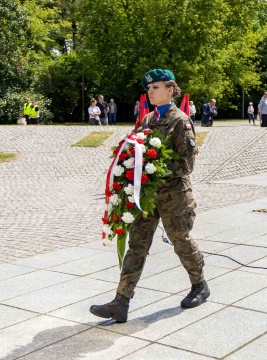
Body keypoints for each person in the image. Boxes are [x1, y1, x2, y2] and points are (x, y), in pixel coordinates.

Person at [90, 69, 208, 323]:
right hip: (146, 197)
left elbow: (186, 165)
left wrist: (153, 172)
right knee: (137, 244)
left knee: (180, 241)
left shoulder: (181, 121)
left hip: (174, 197)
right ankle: (121, 301)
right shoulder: (146, 121)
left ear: (170, 90)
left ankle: (199, 284)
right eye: (149, 88)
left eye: (155, 87)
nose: (150, 92)